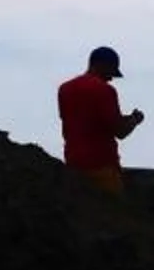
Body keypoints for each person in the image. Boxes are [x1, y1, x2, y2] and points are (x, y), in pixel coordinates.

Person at [57, 46, 146, 194]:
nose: (111, 78)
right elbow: (120, 132)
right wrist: (135, 120)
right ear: (102, 65)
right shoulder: (105, 90)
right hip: (102, 167)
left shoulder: (65, 88)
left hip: (73, 164)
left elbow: (84, 119)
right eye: (111, 71)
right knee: (112, 212)